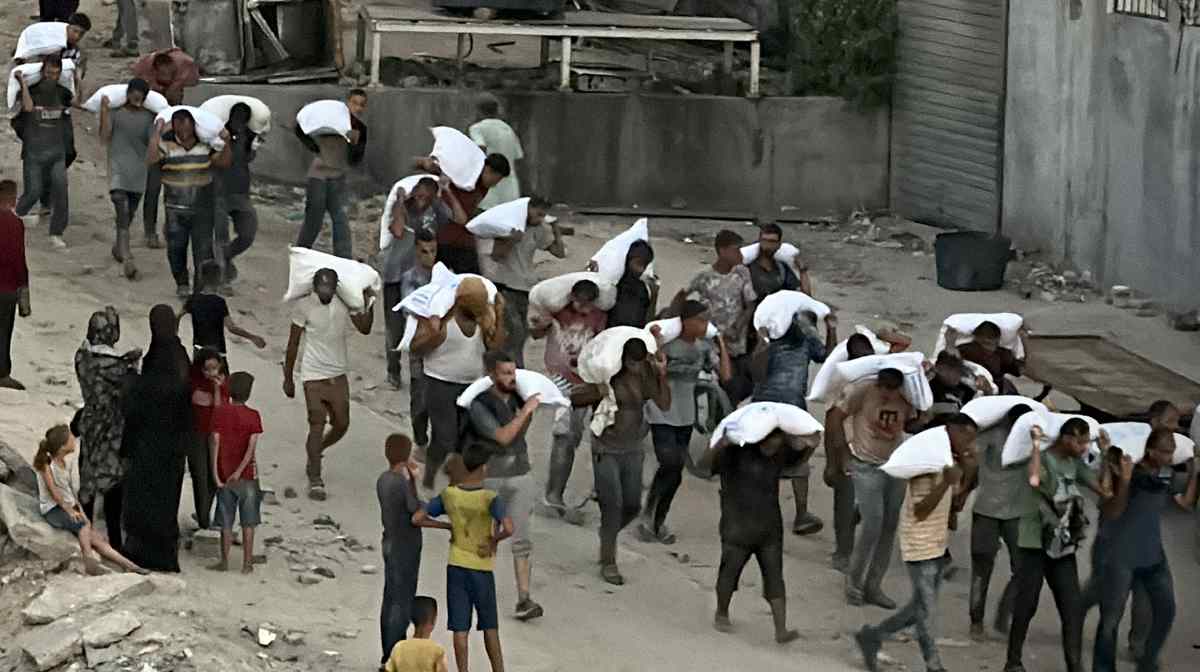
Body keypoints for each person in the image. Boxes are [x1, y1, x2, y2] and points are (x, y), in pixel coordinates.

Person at [856, 414, 980, 672]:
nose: (969, 444)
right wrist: (946, 482)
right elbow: (921, 510)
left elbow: (955, 504)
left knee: (920, 606)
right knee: (925, 610)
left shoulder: (946, 462)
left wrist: (967, 476)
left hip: (936, 543)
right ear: (952, 431)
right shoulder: (928, 464)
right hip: (919, 544)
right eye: (966, 438)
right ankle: (933, 665)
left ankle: (873, 635)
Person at [1005, 419, 1114, 672]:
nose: (1084, 446)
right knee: (1026, 605)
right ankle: (1013, 662)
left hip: (1062, 545)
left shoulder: (1073, 464)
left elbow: (1104, 491)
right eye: (1080, 441)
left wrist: (1106, 454)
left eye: (1087, 441)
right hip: (1034, 542)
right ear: (1065, 438)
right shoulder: (1043, 459)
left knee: (1071, 608)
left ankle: (1074, 666)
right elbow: (1033, 479)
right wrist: (1035, 445)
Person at [1081, 400, 1182, 661]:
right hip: (1115, 545)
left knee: (1147, 601)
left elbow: (1178, 498)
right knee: (1105, 599)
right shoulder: (1126, 458)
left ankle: (1138, 647)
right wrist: (1118, 472)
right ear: (1155, 423)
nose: (1176, 428)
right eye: (1171, 422)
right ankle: (1076, 612)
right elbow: (1110, 506)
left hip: (1146, 549)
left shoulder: (1165, 470)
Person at [570, 335, 670, 585]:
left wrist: (662, 374)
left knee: (633, 505)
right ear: (623, 360)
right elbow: (574, 398)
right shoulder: (607, 374)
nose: (635, 367)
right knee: (612, 504)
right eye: (631, 362)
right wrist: (598, 392)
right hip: (606, 446)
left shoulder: (647, 373)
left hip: (634, 446)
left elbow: (664, 403)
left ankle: (608, 534)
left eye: (639, 362)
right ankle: (609, 560)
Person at [1093, 428, 1194, 672]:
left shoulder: (1165, 474)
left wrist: (1194, 473)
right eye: (1164, 452)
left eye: (1172, 452)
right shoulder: (1133, 474)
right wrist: (1125, 481)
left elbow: (1184, 504)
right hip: (1121, 557)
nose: (1169, 457)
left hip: (1152, 556)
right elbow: (1112, 511)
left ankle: (1147, 662)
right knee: (1110, 619)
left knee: (1166, 610)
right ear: (1150, 450)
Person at [698, 430, 812, 644]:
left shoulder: (779, 454)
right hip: (737, 526)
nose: (774, 446)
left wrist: (811, 443)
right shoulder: (734, 452)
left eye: (778, 442)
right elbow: (704, 466)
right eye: (771, 441)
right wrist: (719, 445)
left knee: (775, 577)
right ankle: (722, 612)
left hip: (768, 527)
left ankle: (781, 629)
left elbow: (798, 461)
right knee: (730, 571)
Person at [413, 446, 514, 672]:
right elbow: (509, 528)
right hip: (482, 567)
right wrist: (493, 540)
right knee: (490, 626)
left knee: (460, 628)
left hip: (456, 564)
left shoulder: (449, 495)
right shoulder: (490, 498)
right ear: (483, 468)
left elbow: (418, 518)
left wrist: (447, 526)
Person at [826, 369, 918, 607]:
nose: (886, 394)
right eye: (883, 388)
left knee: (889, 526)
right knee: (872, 524)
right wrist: (843, 455)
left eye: (891, 389)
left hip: (895, 465)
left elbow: (913, 422)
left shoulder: (909, 397)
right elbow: (835, 418)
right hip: (865, 464)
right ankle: (854, 581)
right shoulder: (862, 391)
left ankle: (873, 585)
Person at [640, 301, 730, 544]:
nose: (704, 325)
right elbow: (648, 364)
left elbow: (726, 376)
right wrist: (656, 342)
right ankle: (648, 515)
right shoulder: (668, 344)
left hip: (685, 415)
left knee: (676, 471)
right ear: (685, 321)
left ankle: (658, 519)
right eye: (700, 320)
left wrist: (720, 344)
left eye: (706, 321)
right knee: (669, 461)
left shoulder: (702, 348)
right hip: (661, 411)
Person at [283, 269, 376, 501]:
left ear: (335, 287)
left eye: (329, 287)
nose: (325, 291)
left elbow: (364, 328)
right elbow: (293, 343)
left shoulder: (344, 304)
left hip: (338, 373)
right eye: (321, 287)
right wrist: (288, 377)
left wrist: (369, 302)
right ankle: (315, 478)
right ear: (315, 286)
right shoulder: (303, 307)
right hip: (312, 374)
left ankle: (317, 450)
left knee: (342, 423)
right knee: (316, 422)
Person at [466, 351, 546, 621]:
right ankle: (478, 593)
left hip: (520, 474)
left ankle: (524, 598)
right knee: (487, 536)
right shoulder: (479, 405)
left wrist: (526, 409)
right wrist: (526, 411)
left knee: (522, 539)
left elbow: (519, 434)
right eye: (506, 373)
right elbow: (502, 436)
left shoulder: (518, 399)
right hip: (491, 478)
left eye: (513, 373)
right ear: (491, 375)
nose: (512, 378)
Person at [409, 279, 506, 490]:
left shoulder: (483, 321)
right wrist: (432, 335)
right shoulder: (443, 322)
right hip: (439, 384)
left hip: (470, 386)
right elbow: (416, 349)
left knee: (465, 438)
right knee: (445, 437)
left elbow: (495, 348)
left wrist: (499, 314)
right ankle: (429, 478)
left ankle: (454, 481)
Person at [751, 309, 837, 535]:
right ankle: (768, 514)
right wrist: (762, 346)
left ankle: (800, 513)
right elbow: (757, 374)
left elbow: (827, 357)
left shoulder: (806, 342)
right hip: (766, 408)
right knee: (768, 459)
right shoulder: (770, 344)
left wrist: (832, 329)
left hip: (793, 408)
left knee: (800, 458)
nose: (807, 329)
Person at [121, 305, 192, 572]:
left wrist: (131, 380)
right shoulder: (177, 355)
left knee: (147, 500)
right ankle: (160, 553)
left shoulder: (163, 359)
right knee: (165, 502)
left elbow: (151, 397)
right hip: (172, 446)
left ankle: (148, 555)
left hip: (152, 444)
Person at [530, 279, 607, 510]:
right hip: (559, 381)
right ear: (571, 298)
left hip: (584, 384)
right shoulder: (557, 311)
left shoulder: (599, 317)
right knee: (563, 436)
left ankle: (556, 492)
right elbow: (536, 333)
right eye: (579, 302)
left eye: (588, 304)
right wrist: (539, 324)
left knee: (572, 437)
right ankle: (553, 495)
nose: (583, 308)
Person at [34, 424, 146, 575]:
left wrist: (84, 517)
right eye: (70, 439)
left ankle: (130, 566)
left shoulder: (65, 463)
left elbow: (71, 495)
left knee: (97, 539)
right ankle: (89, 560)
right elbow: (54, 492)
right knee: (82, 526)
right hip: (53, 509)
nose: (74, 440)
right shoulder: (47, 466)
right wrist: (71, 512)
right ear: (62, 447)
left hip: (67, 506)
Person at [74, 307, 141, 552]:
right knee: (113, 481)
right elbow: (129, 384)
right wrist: (132, 364)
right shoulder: (115, 366)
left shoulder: (81, 357)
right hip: (111, 425)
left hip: (90, 421)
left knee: (88, 478)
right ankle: (115, 542)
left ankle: (85, 533)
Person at [147, 110, 233, 297]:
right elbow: (151, 159)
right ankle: (182, 284)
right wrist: (156, 133)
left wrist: (226, 143)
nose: (184, 131)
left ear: (194, 126)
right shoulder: (166, 146)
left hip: (203, 210)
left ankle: (199, 289)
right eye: (179, 126)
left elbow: (224, 163)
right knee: (176, 250)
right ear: (175, 126)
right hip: (174, 210)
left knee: (203, 251)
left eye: (187, 126)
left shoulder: (206, 147)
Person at [969, 404, 1035, 641]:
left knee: (1019, 568)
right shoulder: (994, 437)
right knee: (983, 570)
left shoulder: (1032, 440)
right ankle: (983, 619)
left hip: (1009, 511)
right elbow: (971, 462)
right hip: (991, 510)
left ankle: (998, 615)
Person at [478, 195, 564, 367]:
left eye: (543, 215)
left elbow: (559, 252)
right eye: (537, 213)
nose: (540, 218)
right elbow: (497, 255)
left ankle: (509, 365)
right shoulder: (509, 227)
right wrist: (512, 240)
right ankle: (514, 367)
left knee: (521, 333)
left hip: (524, 288)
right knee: (514, 330)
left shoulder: (538, 229)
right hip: (505, 286)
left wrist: (556, 230)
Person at [382, 178, 452, 388]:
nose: (423, 198)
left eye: (428, 194)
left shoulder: (435, 211)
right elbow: (397, 230)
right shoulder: (402, 207)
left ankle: (418, 373)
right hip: (396, 274)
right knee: (395, 328)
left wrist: (443, 194)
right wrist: (401, 202)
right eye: (420, 193)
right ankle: (393, 370)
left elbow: (454, 217)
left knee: (419, 324)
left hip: (421, 276)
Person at [679, 230, 757, 404]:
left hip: (737, 344)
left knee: (740, 388)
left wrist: (740, 324)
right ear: (722, 251)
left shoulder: (742, 273)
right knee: (721, 387)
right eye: (735, 250)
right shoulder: (704, 276)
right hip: (712, 346)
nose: (740, 254)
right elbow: (682, 296)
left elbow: (750, 303)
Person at [133, 49, 199, 248]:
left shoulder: (183, 73)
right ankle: (149, 231)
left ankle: (170, 228)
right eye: (162, 75)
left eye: (170, 74)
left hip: (176, 141)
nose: (167, 78)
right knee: (153, 189)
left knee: (176, 190)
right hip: (155, 140)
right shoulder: (147, 83)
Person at [294, 89, 369, 259]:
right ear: (346, 103)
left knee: (339, 217)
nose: (357, 108)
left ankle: (343, 259)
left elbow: (355, 160)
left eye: (361, 105)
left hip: (338, 176)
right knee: (314, 218)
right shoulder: (328, 120)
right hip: (318, 175)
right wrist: (314, 147)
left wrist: (354, 144)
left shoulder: (360, 129)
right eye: (354, 103)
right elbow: (300, 128)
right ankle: (300, 253)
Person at [825, 333, 877, 571]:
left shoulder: (877, 379)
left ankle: (848, 539)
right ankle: (842, 551)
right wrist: (832, 461)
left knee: (862, 506)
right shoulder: (842, 383)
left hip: (872, 449)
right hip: (846, 447)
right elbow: (831, 422)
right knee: (844, 504)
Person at [411, 153, 511, 275]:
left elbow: (469, 211)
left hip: (464, 241)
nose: (495, 184)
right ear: (488, 170)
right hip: (443, 240)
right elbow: (420, 164)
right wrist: (428, 164)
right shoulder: (462, 174)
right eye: (496, 179)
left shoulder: (483, 187)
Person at [13, 55, 75, 250]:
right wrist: (22, 82)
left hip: (57, 153)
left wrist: (78, 79)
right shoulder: (32, 92)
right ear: (42, 72)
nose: (52, 77)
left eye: (56, 74)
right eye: (49, 73)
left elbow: (78, 103)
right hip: (34, 153)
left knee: (61, 193)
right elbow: (29, 108)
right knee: (33, 192)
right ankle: (10, 220)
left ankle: (56, 233)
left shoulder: (63, 93)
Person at [98, 78, 155, 280]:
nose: (136, 96)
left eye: (141, 94)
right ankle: (127, 256)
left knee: (128, 215)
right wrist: (104, 111)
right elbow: (105, 136)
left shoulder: (150, 118)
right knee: (121, 209)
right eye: (134, 92)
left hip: (139, 172)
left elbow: (153, 144)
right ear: (128, 93)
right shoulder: (116, 113)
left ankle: (119, 247)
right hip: (118, 169)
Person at [378, 434, 424, 667]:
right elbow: (416, 513)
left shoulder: (384, 479)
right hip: (405, 545)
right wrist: (415, 479)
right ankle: (395, 657)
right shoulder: (401, 482)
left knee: (389, 598)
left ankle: (387, 653)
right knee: (402, 602)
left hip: (389, 540)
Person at [208, 371, 261, 573]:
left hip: (223, 472)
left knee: (225, 520)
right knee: (249, 520)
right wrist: (239, 471)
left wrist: (215, 473)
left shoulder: (220, 413)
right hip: (247, 475)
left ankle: (224, 561)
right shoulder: (254, 416)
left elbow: (215, 441)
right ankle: (247, 563)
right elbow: (251, 449)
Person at [398, 230, 439, 443]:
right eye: (425, 251)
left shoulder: (443, 276)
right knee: (420, 397)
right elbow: (411, 308)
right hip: (419, 342)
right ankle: (420, 440)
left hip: (441, 344)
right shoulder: (410, 278)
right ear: (416, 251)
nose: (429, 256)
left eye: (433, 251)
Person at [179, 261, 267, 358]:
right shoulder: (219, 302)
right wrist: (252, 337)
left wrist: (174, 333)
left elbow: (177, 316)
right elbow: (231, 328)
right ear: (219, 278)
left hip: (199, 349)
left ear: (201, 277)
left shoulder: (193, 299)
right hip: (216, 351)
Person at [215, 102, 259, 288]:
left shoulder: (249, 136)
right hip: (219, 191)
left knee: (248, 233)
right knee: (221, 235)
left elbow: (247, 158)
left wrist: (254, 147)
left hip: (241, 192)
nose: (240, 123)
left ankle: (223, 259)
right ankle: (221, 277)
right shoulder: (217, 132)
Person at [188, 349, 227, 530]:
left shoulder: (224, 383)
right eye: (207, 369)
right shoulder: (194, 383)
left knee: (214, 478)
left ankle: (205, 515)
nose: (212, 373)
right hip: (196, 435)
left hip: (217, 436)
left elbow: (220, 411)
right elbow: (201, 400)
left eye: (215, 368)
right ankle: (204, 520)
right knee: (200, 477)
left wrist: (218, 390)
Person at [0, 179, 31, 391]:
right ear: (11, 199)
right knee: (3, 331)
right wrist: (23, 285)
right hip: (7, 287)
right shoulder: (15, 224)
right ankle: (2, 372)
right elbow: (17, 258)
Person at [469, 96, 524, 210]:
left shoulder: (477, 128)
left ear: (478, 111)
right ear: (497, 110)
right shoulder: (508, 129)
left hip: (490, 187)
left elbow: (481, 147)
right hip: (510, 186)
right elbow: (517, 157)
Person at [955, 322, 1027, 395]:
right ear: (976, 339)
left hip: (998, 394)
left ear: (997, 341)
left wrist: (1025, 341)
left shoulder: (1003, 355)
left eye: (991, 344)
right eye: (984, 343)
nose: (987, 349)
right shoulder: (963, 351)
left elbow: (1022, 370)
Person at [746, 222, 812, 298]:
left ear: (779, 244)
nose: (767, 245)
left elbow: (805, 298)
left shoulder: (782, 269)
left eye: (772, 241)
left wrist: (802, 271)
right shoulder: (748, 268)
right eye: (764, 240)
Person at [383, 596, 448, 672]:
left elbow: (388, 669)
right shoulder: (437, 651)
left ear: (411, 619)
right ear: (434, 620)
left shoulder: (399, 647)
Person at [605, 241, 657, 329]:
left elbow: (647, 320)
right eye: (638, 263)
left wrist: (654, 294)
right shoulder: (614, 283)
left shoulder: (642, 289)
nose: (641, 270)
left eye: (644, 265)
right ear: (627, 259)